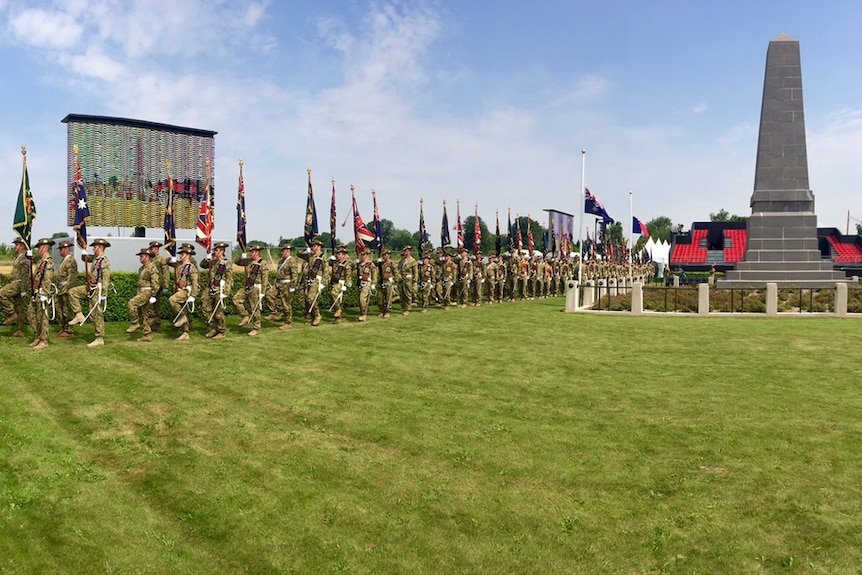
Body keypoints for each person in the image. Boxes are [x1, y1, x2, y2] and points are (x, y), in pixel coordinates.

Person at [68, 238, 111, 347]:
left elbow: (106, 278)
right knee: (72, 292)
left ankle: (99, 338)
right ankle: (79, 315)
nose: (93, 248)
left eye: (95, 247)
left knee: (96, 314)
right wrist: (83, 249)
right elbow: (85, 258)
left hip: (98, 289)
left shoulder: (104, 261)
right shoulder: (96, 259)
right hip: (90, 288)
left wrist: (104, 294)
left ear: (100, 248)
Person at [233, 243, 267, 336]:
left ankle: (256, 328)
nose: (251, 253)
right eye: (250, 252)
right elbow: (236, 262)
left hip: (256, 287)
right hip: (247, 286)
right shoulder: (248, 261)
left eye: (252, 252)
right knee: (236, 299)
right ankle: (245, 316)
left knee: (254, 308)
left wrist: (263, 292)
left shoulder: (262, 263)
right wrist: (242, 256)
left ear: (257, 252)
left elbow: (265, 278)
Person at [200, 241, 232, 339]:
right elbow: (202, 265)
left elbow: (229, 279)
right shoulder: (212, 262)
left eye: (217, 250)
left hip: (220, 290)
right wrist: (207, 257)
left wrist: (226, 292)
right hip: (210, 288)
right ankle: (213, 327)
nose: (216, 252)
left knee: (218, 312)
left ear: (222, 251)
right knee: (204, 307)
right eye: (215, 251)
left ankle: (222, 331)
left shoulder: (226, 263)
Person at [126, 247, 160, 342]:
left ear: (148, 257)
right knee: (144, 314)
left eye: (142, 256)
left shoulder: (152, 267)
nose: (140, 258)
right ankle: (147, 335)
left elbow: (156, 283)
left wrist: (153, 295)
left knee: (132, 303)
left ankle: (134, 323)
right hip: (141, 291)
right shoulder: (141, 268)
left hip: (147, 292)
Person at [0, 237, 31, 337]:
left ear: (22, 246)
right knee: (20, 308)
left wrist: (22, 289)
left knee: (1, 294)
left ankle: (11, 314)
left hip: (18, 284)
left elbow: (24, 275)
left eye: (16, 245)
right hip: (17, 283)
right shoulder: (18, 257)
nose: (15, 247)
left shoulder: (23, 258)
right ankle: (20, 330)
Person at [27, 238, 54, 349]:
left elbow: (47, 279)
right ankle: (38, 335)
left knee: (43, 317)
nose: (38, 249)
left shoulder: (49, 262)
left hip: (42, 292)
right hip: (36, 292)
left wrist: (45, 293)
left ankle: (44, 340)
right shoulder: (40, 261)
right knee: (31, 314)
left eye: (40, 247)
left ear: (45, 247)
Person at [265, 242, 300, 330]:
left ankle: (288, 322)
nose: (282, 252)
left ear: (288, 251)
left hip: (287, 285)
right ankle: (273, 313)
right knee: (269, 295)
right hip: (279, 283)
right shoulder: (281, 261)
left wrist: (293, 286)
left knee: (286, 304)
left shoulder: (292, 261)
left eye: (284, 251)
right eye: (282, 251)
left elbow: (295, 275)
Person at [170, 244, 199, 340]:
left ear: (188, 255)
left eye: (182, 254)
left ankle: (182, 317)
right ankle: (185, 333)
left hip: (186, 291)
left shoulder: (191, 267)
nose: (180, 256)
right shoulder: (180, 266)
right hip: (180, 289)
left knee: (172, 300)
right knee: (183, 310)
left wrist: (193, 295)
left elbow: (195, 282)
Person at [300, 238, 328, 326]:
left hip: (317, 279)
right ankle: (312, 317)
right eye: (312, 246)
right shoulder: (310, 256)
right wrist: (306, 251)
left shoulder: (322, 257)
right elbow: (299, 254)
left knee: (311, 297)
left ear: (319, 247)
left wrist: (324, 282)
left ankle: (317, 315)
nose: (313, 247)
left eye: (314, 246)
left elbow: (326, 270)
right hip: (309, 279)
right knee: (307, 298)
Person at [55, 240, 78, 338]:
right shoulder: (64, 260)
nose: (60, 251)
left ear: (66, 249)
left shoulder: (70, 260)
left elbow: (71, 277)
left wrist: (67, 289)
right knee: (61, 309)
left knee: (67, 310)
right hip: (61, 288)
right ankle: (64, 327)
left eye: (61, 249)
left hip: (66, 289)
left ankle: (69, 330)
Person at [148, 240, 171, 332]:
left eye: (157, 249)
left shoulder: (161, 259)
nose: (156, 250)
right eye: (154, 248)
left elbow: (165, 272)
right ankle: (152, 323)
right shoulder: (150, 259)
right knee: (151, 305)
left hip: (158, 285)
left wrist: (166, 285)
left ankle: (156, 324)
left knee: (155, 305)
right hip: (150, 285)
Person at [329, 244, 353, 324]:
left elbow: (348, 275)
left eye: (339, 254)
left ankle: (338, 310)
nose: (337, 255)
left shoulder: (347, 263)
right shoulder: (335, 262)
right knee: (336, 299)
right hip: (335, 281)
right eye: (337, 254)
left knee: (333, 293)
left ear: (343, 255)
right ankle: (338, 317)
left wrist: (346, 285)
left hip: (341, 282)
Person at [356, 247, 377, 321]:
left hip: (367, 283)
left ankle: (363, 314)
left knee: (362, 298)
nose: (362, 256)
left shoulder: (371, 264)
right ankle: (363, 311)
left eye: (363, 255)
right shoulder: (359, 264)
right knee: (359, 299)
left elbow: (374, 274)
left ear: (367, 255)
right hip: (360, 283)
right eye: (361, 255)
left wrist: (374, 283)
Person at [397, 245, 418, 316]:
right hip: (402, 278)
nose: (406, 252)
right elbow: (399, 268)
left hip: (409, 279)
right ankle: (403, 307)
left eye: (407, 251)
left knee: (408, 294)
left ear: (409, 252)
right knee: (402, 293)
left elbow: (415, 271)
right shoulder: (402, 260)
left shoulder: (412, 260)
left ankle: (408, 308)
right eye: (405, 251)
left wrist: (415, 280)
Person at [377, 249, 396, 318]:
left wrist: (394, 280)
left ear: (389, 255)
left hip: (389, 282)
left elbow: (395, 272)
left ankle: (387, 311)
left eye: (386, 255)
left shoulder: (392, 263)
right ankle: (381, 311)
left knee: (388, 297)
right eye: (384, 255)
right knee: (380, 297)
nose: (385, 256)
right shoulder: (381, 263)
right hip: (382, 281)